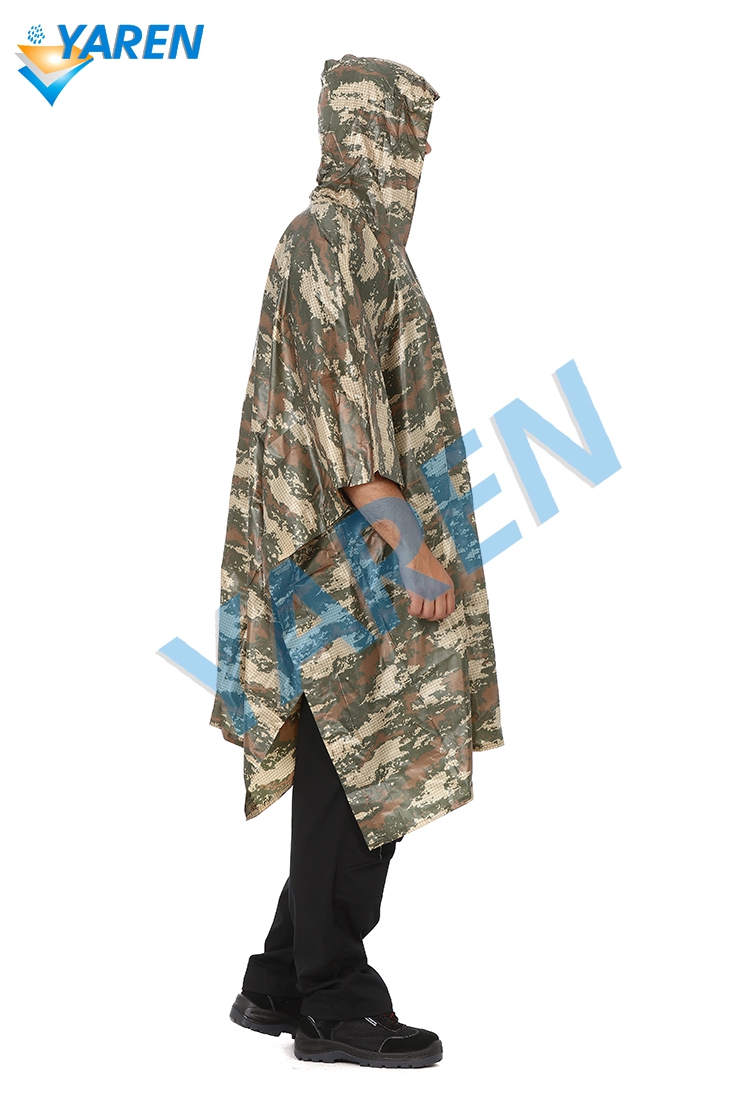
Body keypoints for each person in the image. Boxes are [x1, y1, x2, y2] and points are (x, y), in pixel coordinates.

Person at [210, 53, 503, 1069]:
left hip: (357, 551)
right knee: (360, 762)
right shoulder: (328, 240)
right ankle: (333, 1000)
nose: (417, 159)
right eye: (407, 136)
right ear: (369, 134)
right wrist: (413, 547)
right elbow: (344, 422)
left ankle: (279, 976)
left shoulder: (359, 246)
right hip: (347, 558)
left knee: (359, 762)